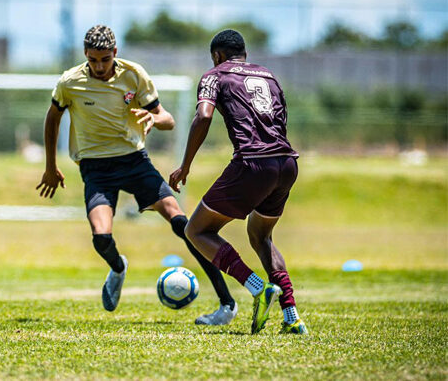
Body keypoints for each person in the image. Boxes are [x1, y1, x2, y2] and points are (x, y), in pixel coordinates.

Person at [36, 24, 237, 325]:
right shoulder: (70, 82)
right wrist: (51, 167)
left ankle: (226, 303)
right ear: (85, 56)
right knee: (101, 238)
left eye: (105, 59)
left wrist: (155, 118)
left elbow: (167, 118)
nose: (99, 66)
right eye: (93, 60)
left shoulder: (134, 75)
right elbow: (52, 119)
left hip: (134, 162)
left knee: (184, 225)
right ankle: (118, 268)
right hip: (96, 168)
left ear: (115, 53)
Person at [169, 29, 308, 335]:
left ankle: (257, 286)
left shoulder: (215, 74)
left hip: (252, 163)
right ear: (244, 53)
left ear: (217, 55)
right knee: (261, 236)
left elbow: (203, 116)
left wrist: (185, 166)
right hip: (286, 163)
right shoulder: (269, 76)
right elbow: (280, 118)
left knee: (196, 230)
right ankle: (291, 315)